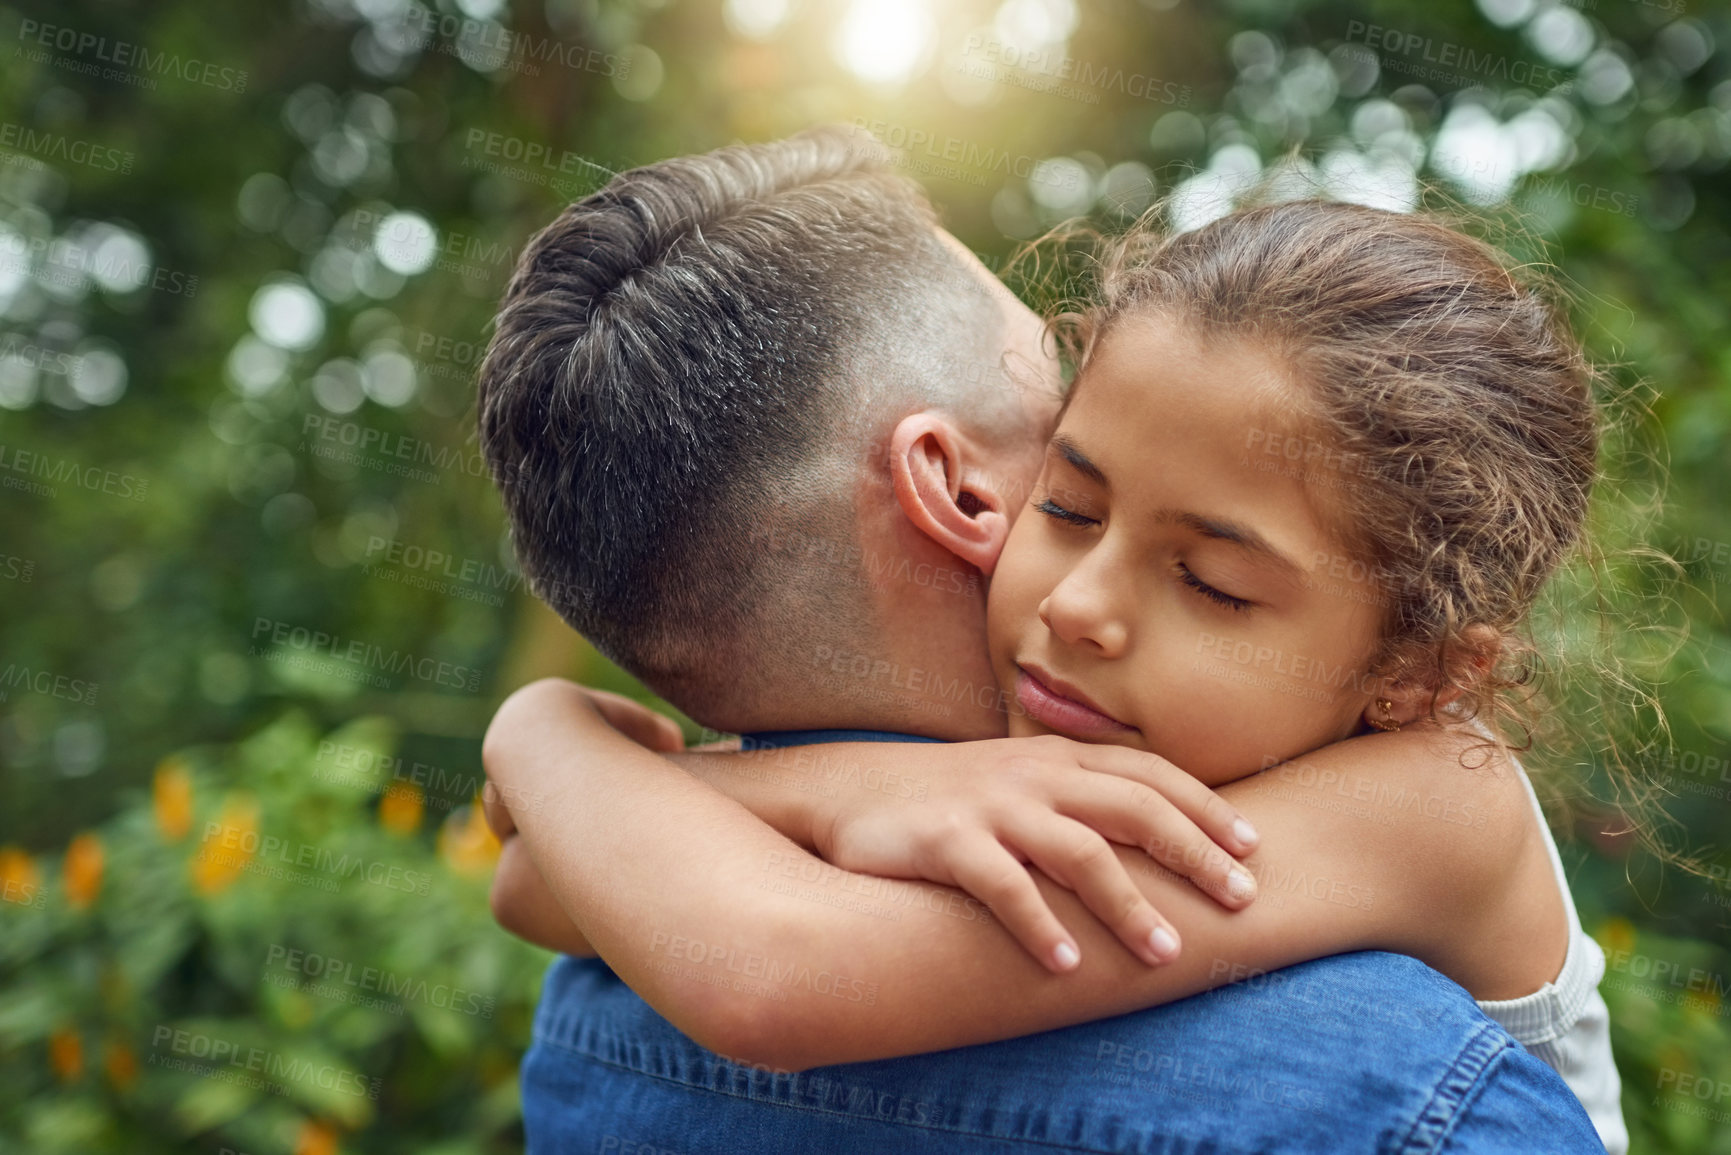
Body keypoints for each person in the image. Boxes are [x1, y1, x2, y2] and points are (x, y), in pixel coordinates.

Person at [476, 127, 1610, 1152]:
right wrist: (860, 789)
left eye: (1213, 585)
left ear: (1418, 675)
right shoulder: (1078, 767)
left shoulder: (1435, 805)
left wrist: (547, 735)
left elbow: (761, 967)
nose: (1075, 606)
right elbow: (542, 886)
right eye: (1066, 506)